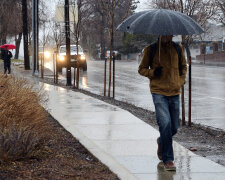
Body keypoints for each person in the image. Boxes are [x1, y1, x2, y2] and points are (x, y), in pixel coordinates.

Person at [138, 35, 187, 171]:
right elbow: (141, 69)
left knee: (175, 127)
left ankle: (161, 141)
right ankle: (168, 159)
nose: (167, 35)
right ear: (159, 34)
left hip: (175, 92)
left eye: (169, 33)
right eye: (164, 33)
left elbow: (183, 67)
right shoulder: (151, 49)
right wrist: (153, 72)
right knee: (165, 124)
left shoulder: (178, 48)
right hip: (158, 92)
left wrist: (181, 81)